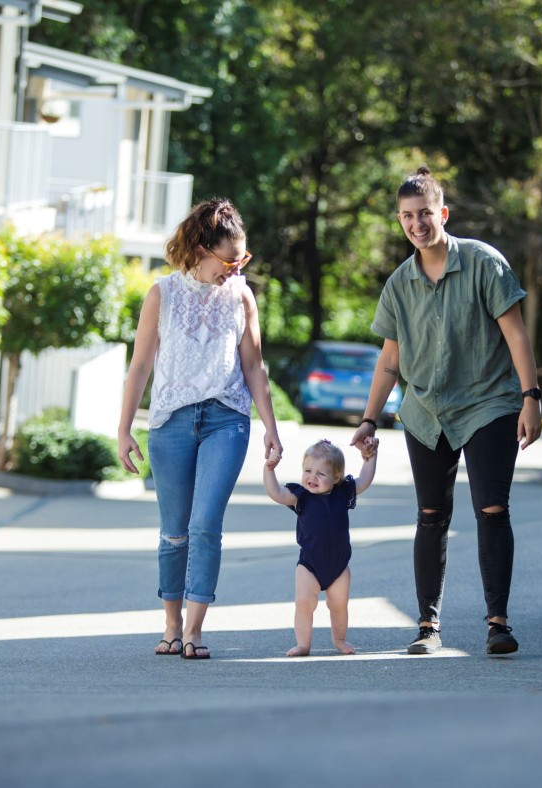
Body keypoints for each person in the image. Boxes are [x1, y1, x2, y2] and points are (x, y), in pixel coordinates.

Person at [350, 166, 542, 657]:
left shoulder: (483, 263)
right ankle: (427, 627)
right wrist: (370, 419)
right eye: (407, 217)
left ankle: (497, 623)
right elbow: (390, 360)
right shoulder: (399, 284)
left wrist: (531, 398)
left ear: (443, 213)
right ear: (399, 220)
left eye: (425, 214)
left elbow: (516, 335)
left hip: (489, 404)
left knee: (491, 508)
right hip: (426, 411)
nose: (417, 224)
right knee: (430, 515)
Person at [118, 197, 283, 661]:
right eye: (229, 260)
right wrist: (125, 429)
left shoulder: (242, 295)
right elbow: (140, 367)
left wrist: (270, 426)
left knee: (205, 524)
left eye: (242, 259)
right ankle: (170, 625)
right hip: (170, 422)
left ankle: (193, 629)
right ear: (200, 248)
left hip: (226, 419)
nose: (236, 269)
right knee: (174, 531)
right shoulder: (162, 294)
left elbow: (253, 365)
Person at [263, 437, 378, 657]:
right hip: (309, 566)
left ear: (336, 478)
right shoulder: (301, 497)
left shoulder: (343, 492)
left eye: (321, 474)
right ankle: (303, 644)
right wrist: (269, 469)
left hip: (339, 566)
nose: (311, 477)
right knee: (304, 605)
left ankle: (340, 640)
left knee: (339, 606)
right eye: (307, 470)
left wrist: (371, 457)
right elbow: (276, 493)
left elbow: (364, 480)